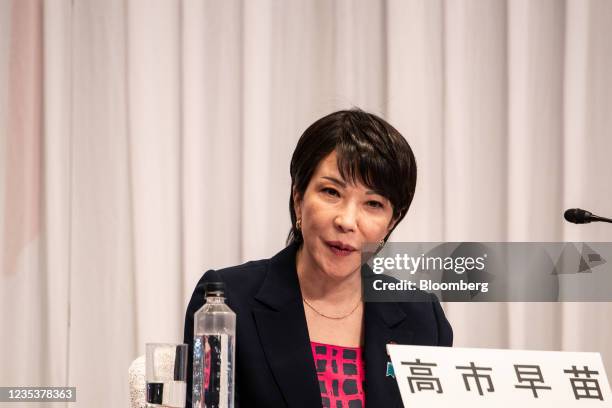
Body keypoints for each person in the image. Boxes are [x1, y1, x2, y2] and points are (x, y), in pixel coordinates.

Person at [184, 109, 453, 408]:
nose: (347, 220)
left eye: (373, 203)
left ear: (391, 222)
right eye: (331, 192)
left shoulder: (423, 317)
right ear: (298, 197)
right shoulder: (226, 301)